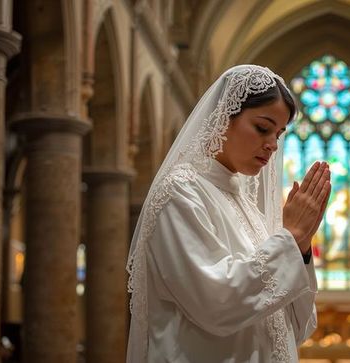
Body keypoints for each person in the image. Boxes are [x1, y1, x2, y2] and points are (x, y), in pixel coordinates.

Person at [126, 64, 332, 362]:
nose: (273, 145)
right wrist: (291, 237)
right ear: (223, 117)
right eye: (263, 128)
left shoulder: (248, 207)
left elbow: (297, 326)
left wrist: (299, 248)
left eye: (279, 133)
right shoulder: (180, 192)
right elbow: (215, 303)